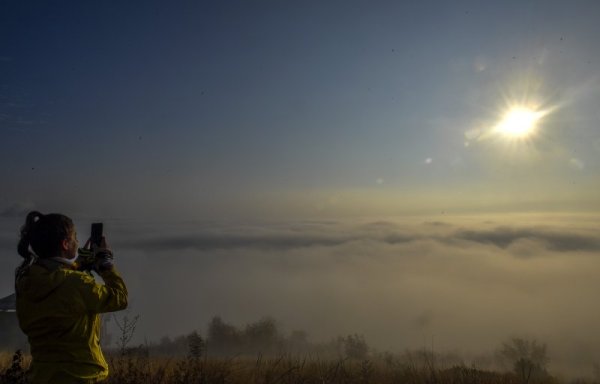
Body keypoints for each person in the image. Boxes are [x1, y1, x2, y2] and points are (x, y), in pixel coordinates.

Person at [15, 211, 128, 383]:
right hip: (80, 376)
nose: (77, 241)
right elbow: (120, 298)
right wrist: (105, 262)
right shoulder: (77, 283)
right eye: (74, 237)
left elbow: (59, 286)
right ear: (65, 244)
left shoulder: (26, 282)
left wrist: (80, 265)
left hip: (42, 377)